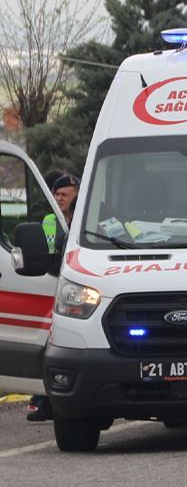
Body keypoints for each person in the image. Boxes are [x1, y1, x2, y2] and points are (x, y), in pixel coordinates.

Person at [29, 173, 80, 423]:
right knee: (45, 344)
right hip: (51, 287)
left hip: (78, 292)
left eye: (63, 195)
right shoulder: (50, 220)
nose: (58, 198)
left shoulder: (88, 218)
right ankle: (42, 399)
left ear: (76, 195)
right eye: (56, 194)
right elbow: (46, 253)